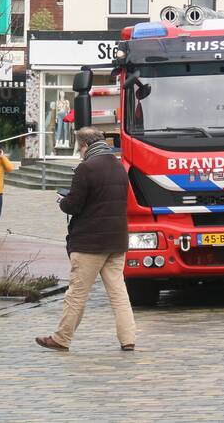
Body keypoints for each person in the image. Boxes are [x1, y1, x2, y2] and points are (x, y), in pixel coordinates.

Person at [36, 126, 136, 352]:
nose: (79, 152)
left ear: (86, 145)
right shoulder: (119, 167)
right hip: (116, 241)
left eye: (79, 147)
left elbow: (74, 205)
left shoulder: (86, 169)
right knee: (119, 294)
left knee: (77, 293)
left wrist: (62, 201)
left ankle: (61, 338)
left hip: (90, 242)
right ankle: (128, 339)